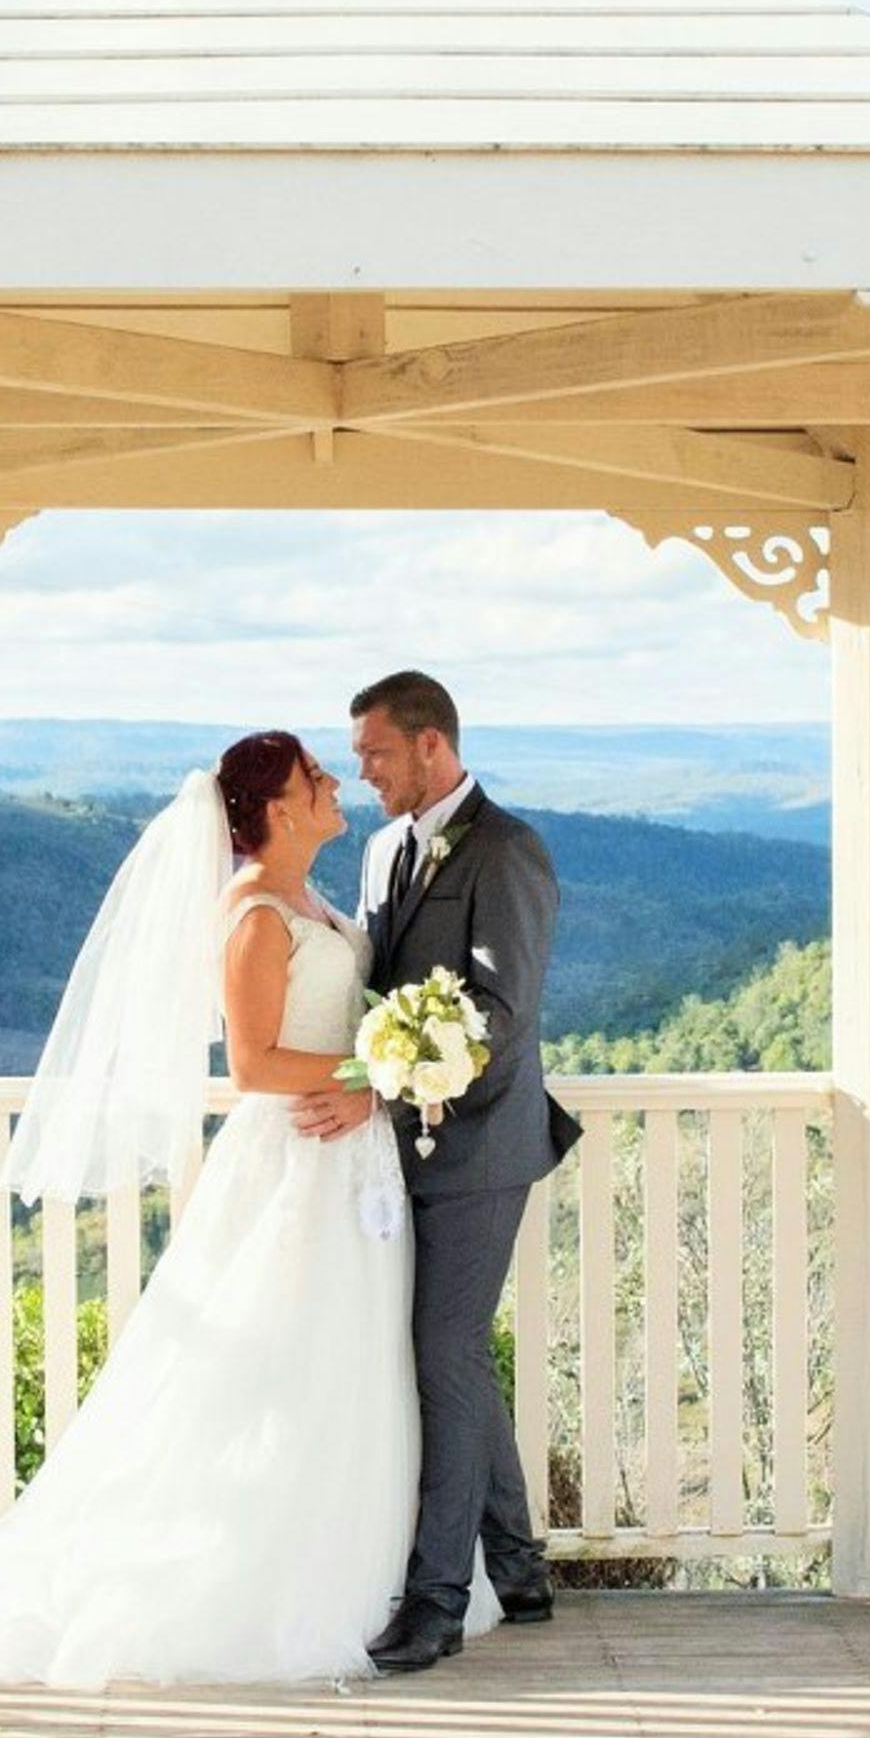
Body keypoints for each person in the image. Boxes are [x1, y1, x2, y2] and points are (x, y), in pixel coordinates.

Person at [0, 730, 492, 1688]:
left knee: (351, 1356)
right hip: (297, 1163)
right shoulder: (251, 914)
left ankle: (360, 1572)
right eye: (314, 778)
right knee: (284, 1363)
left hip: (350, 1156)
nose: (334, 784)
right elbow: (252, 1067)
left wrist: (380, 1076)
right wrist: (381, 1067)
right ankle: (263, 1585)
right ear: (281, 810)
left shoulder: (305, 897)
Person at [299, 671, 581, 1674]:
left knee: (442, 1350)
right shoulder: (384, 848)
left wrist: (379, 1087)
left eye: (373, 753)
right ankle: (520, 1565)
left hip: (481, 1149)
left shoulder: (509, 850)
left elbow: (499, 1018)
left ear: (430, 745)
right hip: (398, 1157)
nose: (361, 771)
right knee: (452, 1352)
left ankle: (437, 1600)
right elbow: (381, 991)